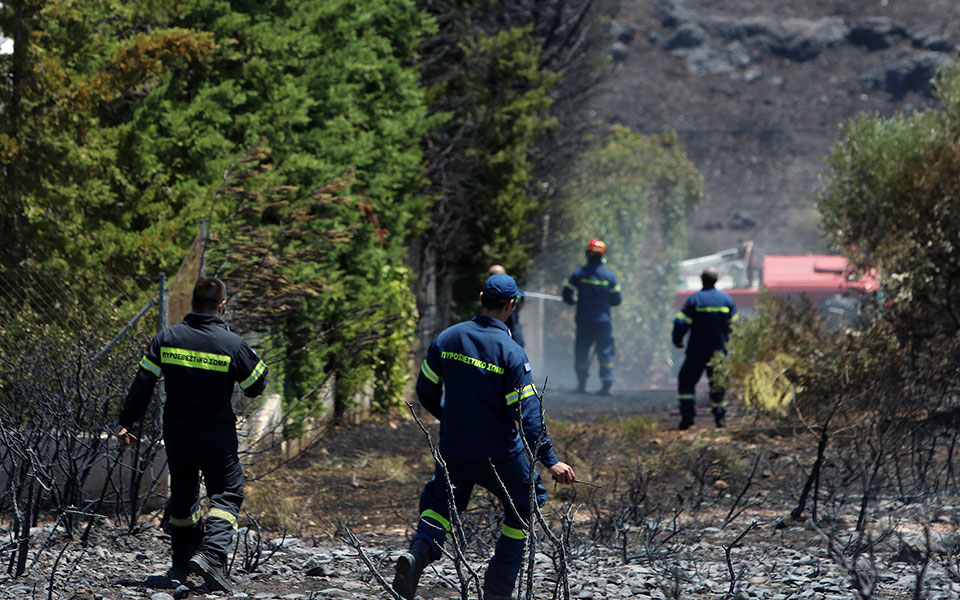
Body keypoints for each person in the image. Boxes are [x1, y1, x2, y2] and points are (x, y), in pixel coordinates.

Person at [392, 273, 575, 600]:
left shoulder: (447, 338)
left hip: (455, 449)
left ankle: (418, 555)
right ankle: (498, 587)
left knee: (441, 504)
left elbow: (425, 390)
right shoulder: (512, 353)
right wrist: (551, 460)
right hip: (500, 454)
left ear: (481, 298)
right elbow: (527, 416)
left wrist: (451, 420)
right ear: (511, 305)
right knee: (526, 503)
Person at [115, 277, 268, 592]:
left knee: (184, 498)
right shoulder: (232, 344)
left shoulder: (167, 338)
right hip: (217, 437)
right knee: (227, 494)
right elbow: (256, 387)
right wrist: (244, 350)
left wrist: (126, 422)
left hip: (178, 435)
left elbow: (143, 383)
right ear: (221, 306)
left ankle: (182, 565)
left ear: (190, 304)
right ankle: (211, 555)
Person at [672, 267, 739, 429]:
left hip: (696, 352)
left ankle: (687, 418)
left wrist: (677, 340)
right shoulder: (726, 301)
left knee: (686, 382)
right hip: (719, 353)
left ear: (702, 279)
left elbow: (681, 322)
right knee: (718, 385)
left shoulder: (695, 300)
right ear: (716, 280)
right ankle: (720, 419)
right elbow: (736, 326)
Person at [562, 238, 622, 395]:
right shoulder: (609, 277)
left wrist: (576, 300)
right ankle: (606, 384)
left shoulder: (579, 274)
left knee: (582, 351)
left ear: (587, 254)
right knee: (605, 352)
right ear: (603, 255)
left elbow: (567, 295)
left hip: (584, 320)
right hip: (603, 321)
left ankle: (581, 384)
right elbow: (617, 300)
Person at [488, 264, 525, 347]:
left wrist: (515, 311)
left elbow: (522, 299)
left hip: (513, 330)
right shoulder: (489, 292)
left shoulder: (512, 290)